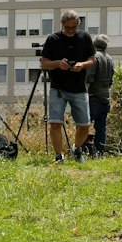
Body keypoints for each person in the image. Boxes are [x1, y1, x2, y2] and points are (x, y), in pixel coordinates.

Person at [39, 9, 95, 163]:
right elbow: (44, 63)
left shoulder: (85, 38)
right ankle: (59, 155)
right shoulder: (53, 39)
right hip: (58, 88)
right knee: (55, 123)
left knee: (85, 125)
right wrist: (58, 64)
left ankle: (76, 148)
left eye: (74, 27)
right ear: (62, 25)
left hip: (79, 88)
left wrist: (82, 65)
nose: (71, 30)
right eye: (68, 28)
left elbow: (92, 59)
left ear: (78, 25)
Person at [87, 34, 116, 158]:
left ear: (94, 45)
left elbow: (89, 78)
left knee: (84, 124)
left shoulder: (94, 58)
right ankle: (100, 152)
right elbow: (111, 81)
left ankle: (82, 150)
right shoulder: (110, 59)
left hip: (93, 97)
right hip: (106, 98)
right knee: (101, 127)